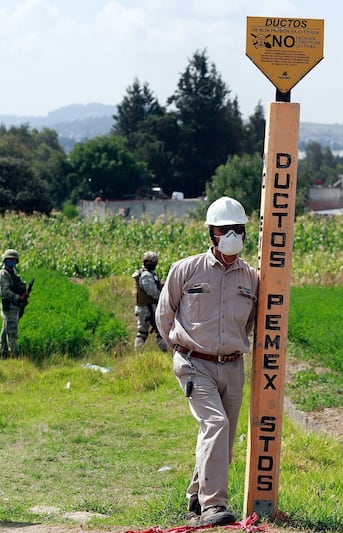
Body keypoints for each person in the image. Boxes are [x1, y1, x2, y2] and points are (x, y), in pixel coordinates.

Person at [155, 196, 259, 527]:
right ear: (211, 233)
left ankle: (196, 497)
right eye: (225, 229)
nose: (232, 235)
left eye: (238, 229)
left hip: (232, 366)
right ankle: (214, 506)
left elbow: (253, 322)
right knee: (215, 425)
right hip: (193, 363)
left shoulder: (252, 279)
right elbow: (164, 314)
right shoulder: (185, 270)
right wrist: (180, 349)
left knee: (222, 438)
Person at [0, 249, 31, 358]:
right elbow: (5, 292)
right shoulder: (3, 274)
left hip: (15, 306)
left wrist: (24, 295)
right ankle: (15, 356)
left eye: (14, 261)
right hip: (9, 306)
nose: (12, 263)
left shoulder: (13, 273)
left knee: (6, 330)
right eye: (9, 261)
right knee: (12, 333)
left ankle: (3, 354)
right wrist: (18, 298)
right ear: (4, 261)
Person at [132, 251, 168, 352]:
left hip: (145, 307)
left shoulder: (147, 274)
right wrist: (163, 298)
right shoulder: (146, 275)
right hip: (149, 308)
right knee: (160, 330)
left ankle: (138, 352)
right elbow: (152, 291)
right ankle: (164, 352)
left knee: (142, 332)